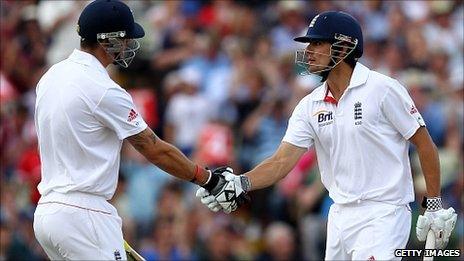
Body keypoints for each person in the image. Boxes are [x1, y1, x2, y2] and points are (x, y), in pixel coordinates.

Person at [196, 11, 458, 260]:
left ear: (344, 48)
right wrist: (241, 182)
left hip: (384, 213)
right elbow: (280, 162)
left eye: (317, 43)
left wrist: (433, 203)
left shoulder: (383, 89)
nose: (308, 52)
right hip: (339, 216)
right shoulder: (309, 105)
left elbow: (424, 144)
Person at [32, 1, 222, 260]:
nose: (130, 44)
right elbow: (154, 149)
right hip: (85, 212)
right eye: (126, 38)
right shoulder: (104, 89)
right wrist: (207, 179)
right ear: (108, 40)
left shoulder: (51, 76)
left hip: (47, 213)